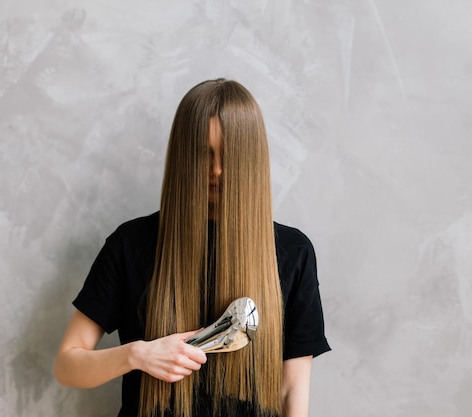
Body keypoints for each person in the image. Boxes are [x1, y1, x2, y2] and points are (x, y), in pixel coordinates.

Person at [54, 78, 330, 417]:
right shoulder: (129, 245)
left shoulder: (293, 253)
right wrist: (137, 355)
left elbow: (293, 392)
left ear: (250, 158)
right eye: (203, 153)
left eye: (228, 154)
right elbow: (67, 366)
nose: (215, 170)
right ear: (183, 155)